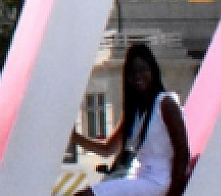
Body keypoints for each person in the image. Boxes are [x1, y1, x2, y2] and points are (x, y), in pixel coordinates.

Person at [69, 43, 190, 196]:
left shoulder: (166, 104)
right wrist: (74, 138)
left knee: (87, 195)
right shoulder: (136, 112)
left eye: (143, 69)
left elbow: (182, 152)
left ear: (153, 71)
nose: (137, 75)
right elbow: (107, 150)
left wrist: (174, 193)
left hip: (158, 181)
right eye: (132, 72)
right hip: (139, 177)